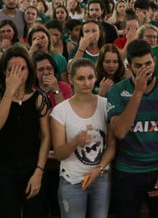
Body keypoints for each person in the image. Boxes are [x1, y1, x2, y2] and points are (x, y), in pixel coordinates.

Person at [107, 39, 158, 218]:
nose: (145, 69)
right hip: (127, 172)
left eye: (148, 63)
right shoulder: (117, 91)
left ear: (154, 61)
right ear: (130, 66)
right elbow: (120, 131)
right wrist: (138, 93)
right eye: (138, 65)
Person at [0, 45, 51, 217]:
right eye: (11, 69)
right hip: (4, 167)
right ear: (4, 72)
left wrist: (39, 171)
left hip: (32, 165)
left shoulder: (39, 98)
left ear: (29, 70)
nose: (17, 73)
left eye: (21, 68)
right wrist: (10, 91)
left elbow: (46, 136)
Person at [50, 58, 115, 218]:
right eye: (81, 78)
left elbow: (112, 146)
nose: (87, 83)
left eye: (90, 77)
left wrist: (98, 170)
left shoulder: (106, 105)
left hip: (100, 177)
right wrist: (75, 142)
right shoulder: (61, 111)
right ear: (71, 79)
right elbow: (59, 154)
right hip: (71, 179)